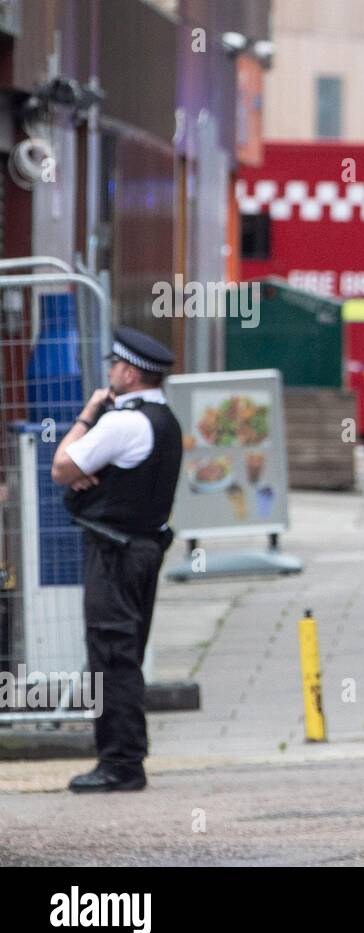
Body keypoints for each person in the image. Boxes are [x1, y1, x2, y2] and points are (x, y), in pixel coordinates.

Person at [51, 327, 183, 794]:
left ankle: (121, 763)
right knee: (125, 653)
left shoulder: (121, 421)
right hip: (143, 550)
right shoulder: (163, 418)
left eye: (113, 368)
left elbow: (62, 467)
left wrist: (90, 411)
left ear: (128, 372)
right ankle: (125, 758)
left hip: (115, 553)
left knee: (111, 657)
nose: (109, 375)